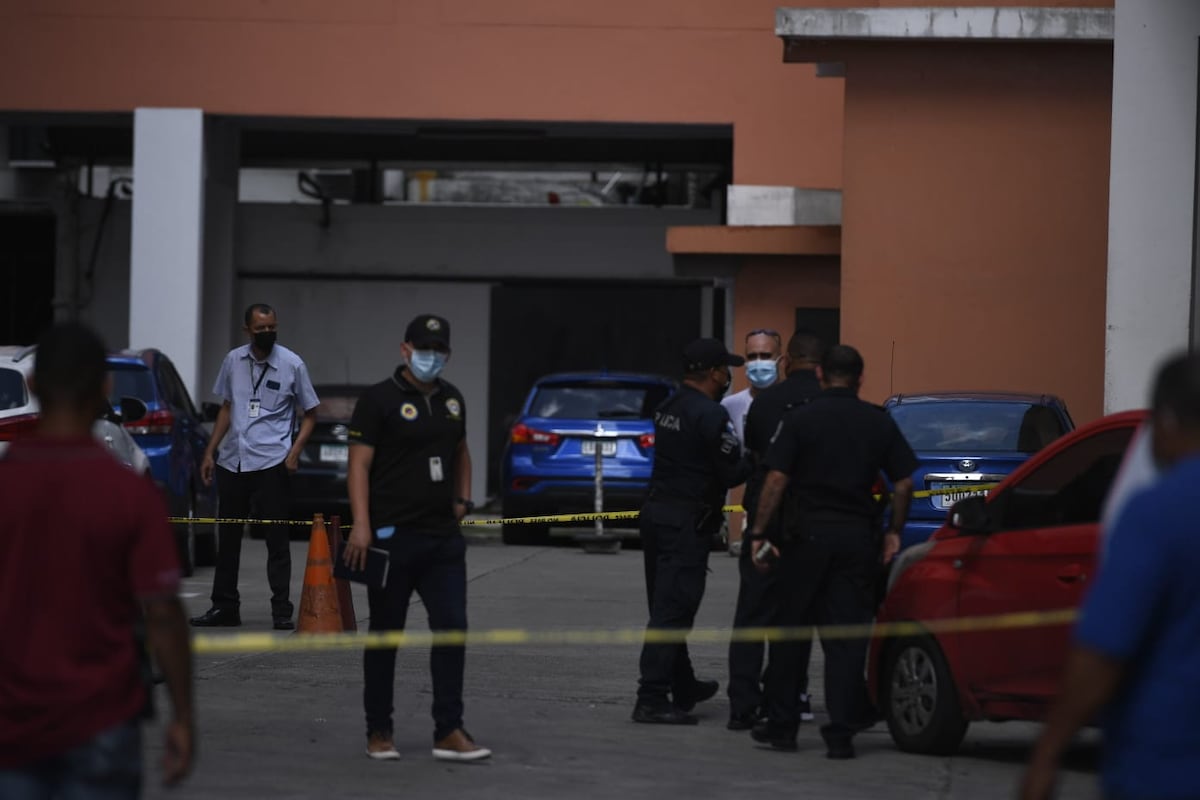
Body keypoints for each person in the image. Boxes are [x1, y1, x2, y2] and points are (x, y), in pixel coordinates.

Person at [0, 322, 194, 796]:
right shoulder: (130, 494)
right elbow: (164, 613)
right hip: (104, 721)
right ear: (105, 387)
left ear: (33, 384)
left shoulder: (6, 487)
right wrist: (184, 719)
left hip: (13, 728)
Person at [1020, 352, 1200, 800]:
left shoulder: (1159, 511)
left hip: (1167, 762)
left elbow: (1101, 652)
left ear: (1171, 421)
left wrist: (1048, 753)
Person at [748, 344, 916, 757]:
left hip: (804, 540)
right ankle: (840, 734)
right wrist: (894, 530)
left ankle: (783, 728)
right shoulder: (877, 422)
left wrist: (758, 532)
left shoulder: (801, 419)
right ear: (860, 378)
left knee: (792, 635)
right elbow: (905, 482)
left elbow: (776, 480)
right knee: (845, 639)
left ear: (821, 374)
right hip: (857, 541)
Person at [342, 313, 490, 762]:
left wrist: (462, 499)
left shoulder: (452, 400)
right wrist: (362, 525)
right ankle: (379, 731)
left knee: (452, 630)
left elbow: (461, 452)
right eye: (423, 349)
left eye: (438, 351)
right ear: (405, 349)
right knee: (386, 634)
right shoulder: (378, 400)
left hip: (442, 540)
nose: (431, 358)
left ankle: (449, 730)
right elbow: (358, 466)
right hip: (391, 536)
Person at [632, 337, 752, 725]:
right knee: (674, 610)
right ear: (715, 372)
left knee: (665, 603)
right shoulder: (711, 415)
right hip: (685, 522)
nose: (730, 376)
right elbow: (733, 471)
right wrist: (766, 456)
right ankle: (650, 697)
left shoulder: (668, 406)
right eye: (727, 369)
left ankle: (682, 685)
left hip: (658, 515)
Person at [191, 303, 319, 631]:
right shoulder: (233, 361)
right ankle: (224, 607)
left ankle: (281, 609)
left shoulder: (292, 364)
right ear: (247, 330)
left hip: (272, 461)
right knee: (229, 538)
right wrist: (210, 452)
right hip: (233, 460)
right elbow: (226, 408)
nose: (267, 334)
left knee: (276, 539)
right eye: (260, 329)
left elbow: (311, 414)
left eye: (272, 328)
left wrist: (294, 451)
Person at [726, 331, 824, 731]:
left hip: (767, 525)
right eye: (753, 356)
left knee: (753, 612)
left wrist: (757, 529)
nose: (759, 363)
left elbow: (755, 459)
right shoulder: (826, 404)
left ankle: (744, 704)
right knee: (797, 616)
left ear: (785, 360)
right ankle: (791, 696)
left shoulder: (764, 405)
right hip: (812, 526)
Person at [721, 329, 783, 558]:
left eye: (765, 356)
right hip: (754, 500)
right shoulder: (730, 405)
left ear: (780, 359)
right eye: (752, 356)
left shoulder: (793, 402)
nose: (758, 363)